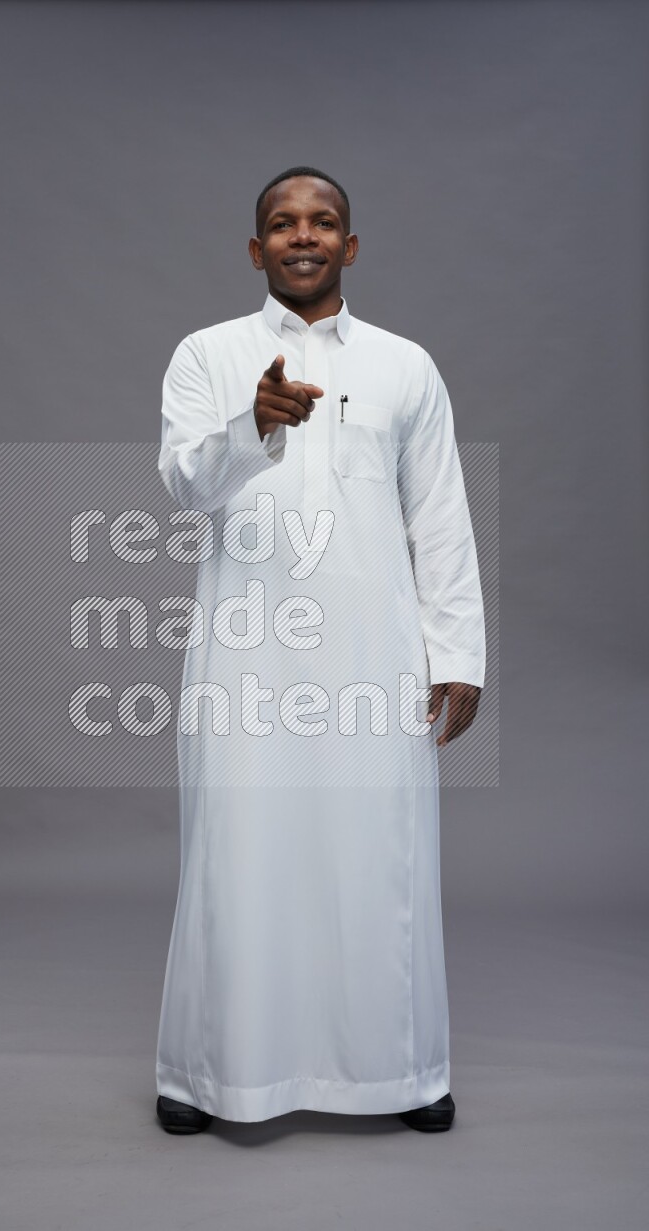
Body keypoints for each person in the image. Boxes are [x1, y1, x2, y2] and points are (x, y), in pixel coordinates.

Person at [154, 166, 485, 1134]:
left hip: (373, 658)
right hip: (246, 654)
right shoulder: (205, 355)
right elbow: (182, 483)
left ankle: (401, 1072)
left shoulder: (403, 366)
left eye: (323, 221)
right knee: (235, 854)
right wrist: (249, 424)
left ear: (349, 244)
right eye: (281, 224)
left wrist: (454, 650)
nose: (303, 235)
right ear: (255, 251)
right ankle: (210, 1073)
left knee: (376, 855)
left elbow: (440, 516)